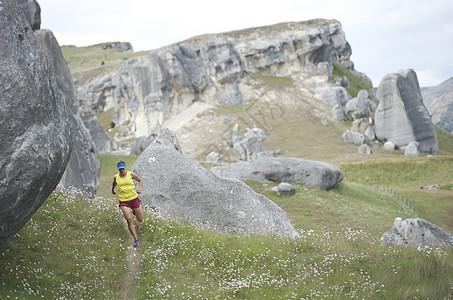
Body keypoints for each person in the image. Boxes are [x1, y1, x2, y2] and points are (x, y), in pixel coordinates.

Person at [112, 160, 143, 247]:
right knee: (129, 220)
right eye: (120, 169)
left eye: (122, 169)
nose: (121, 171)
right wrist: (113, 190)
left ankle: (134, 211)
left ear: (125, 167)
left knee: (140, 219)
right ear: (118, 169)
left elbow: (140, 180)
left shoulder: (131, 174)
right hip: (124, 201)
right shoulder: (116, 177)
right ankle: (136, 239)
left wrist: (139, 188)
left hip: (133, 198)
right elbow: (114, 184)